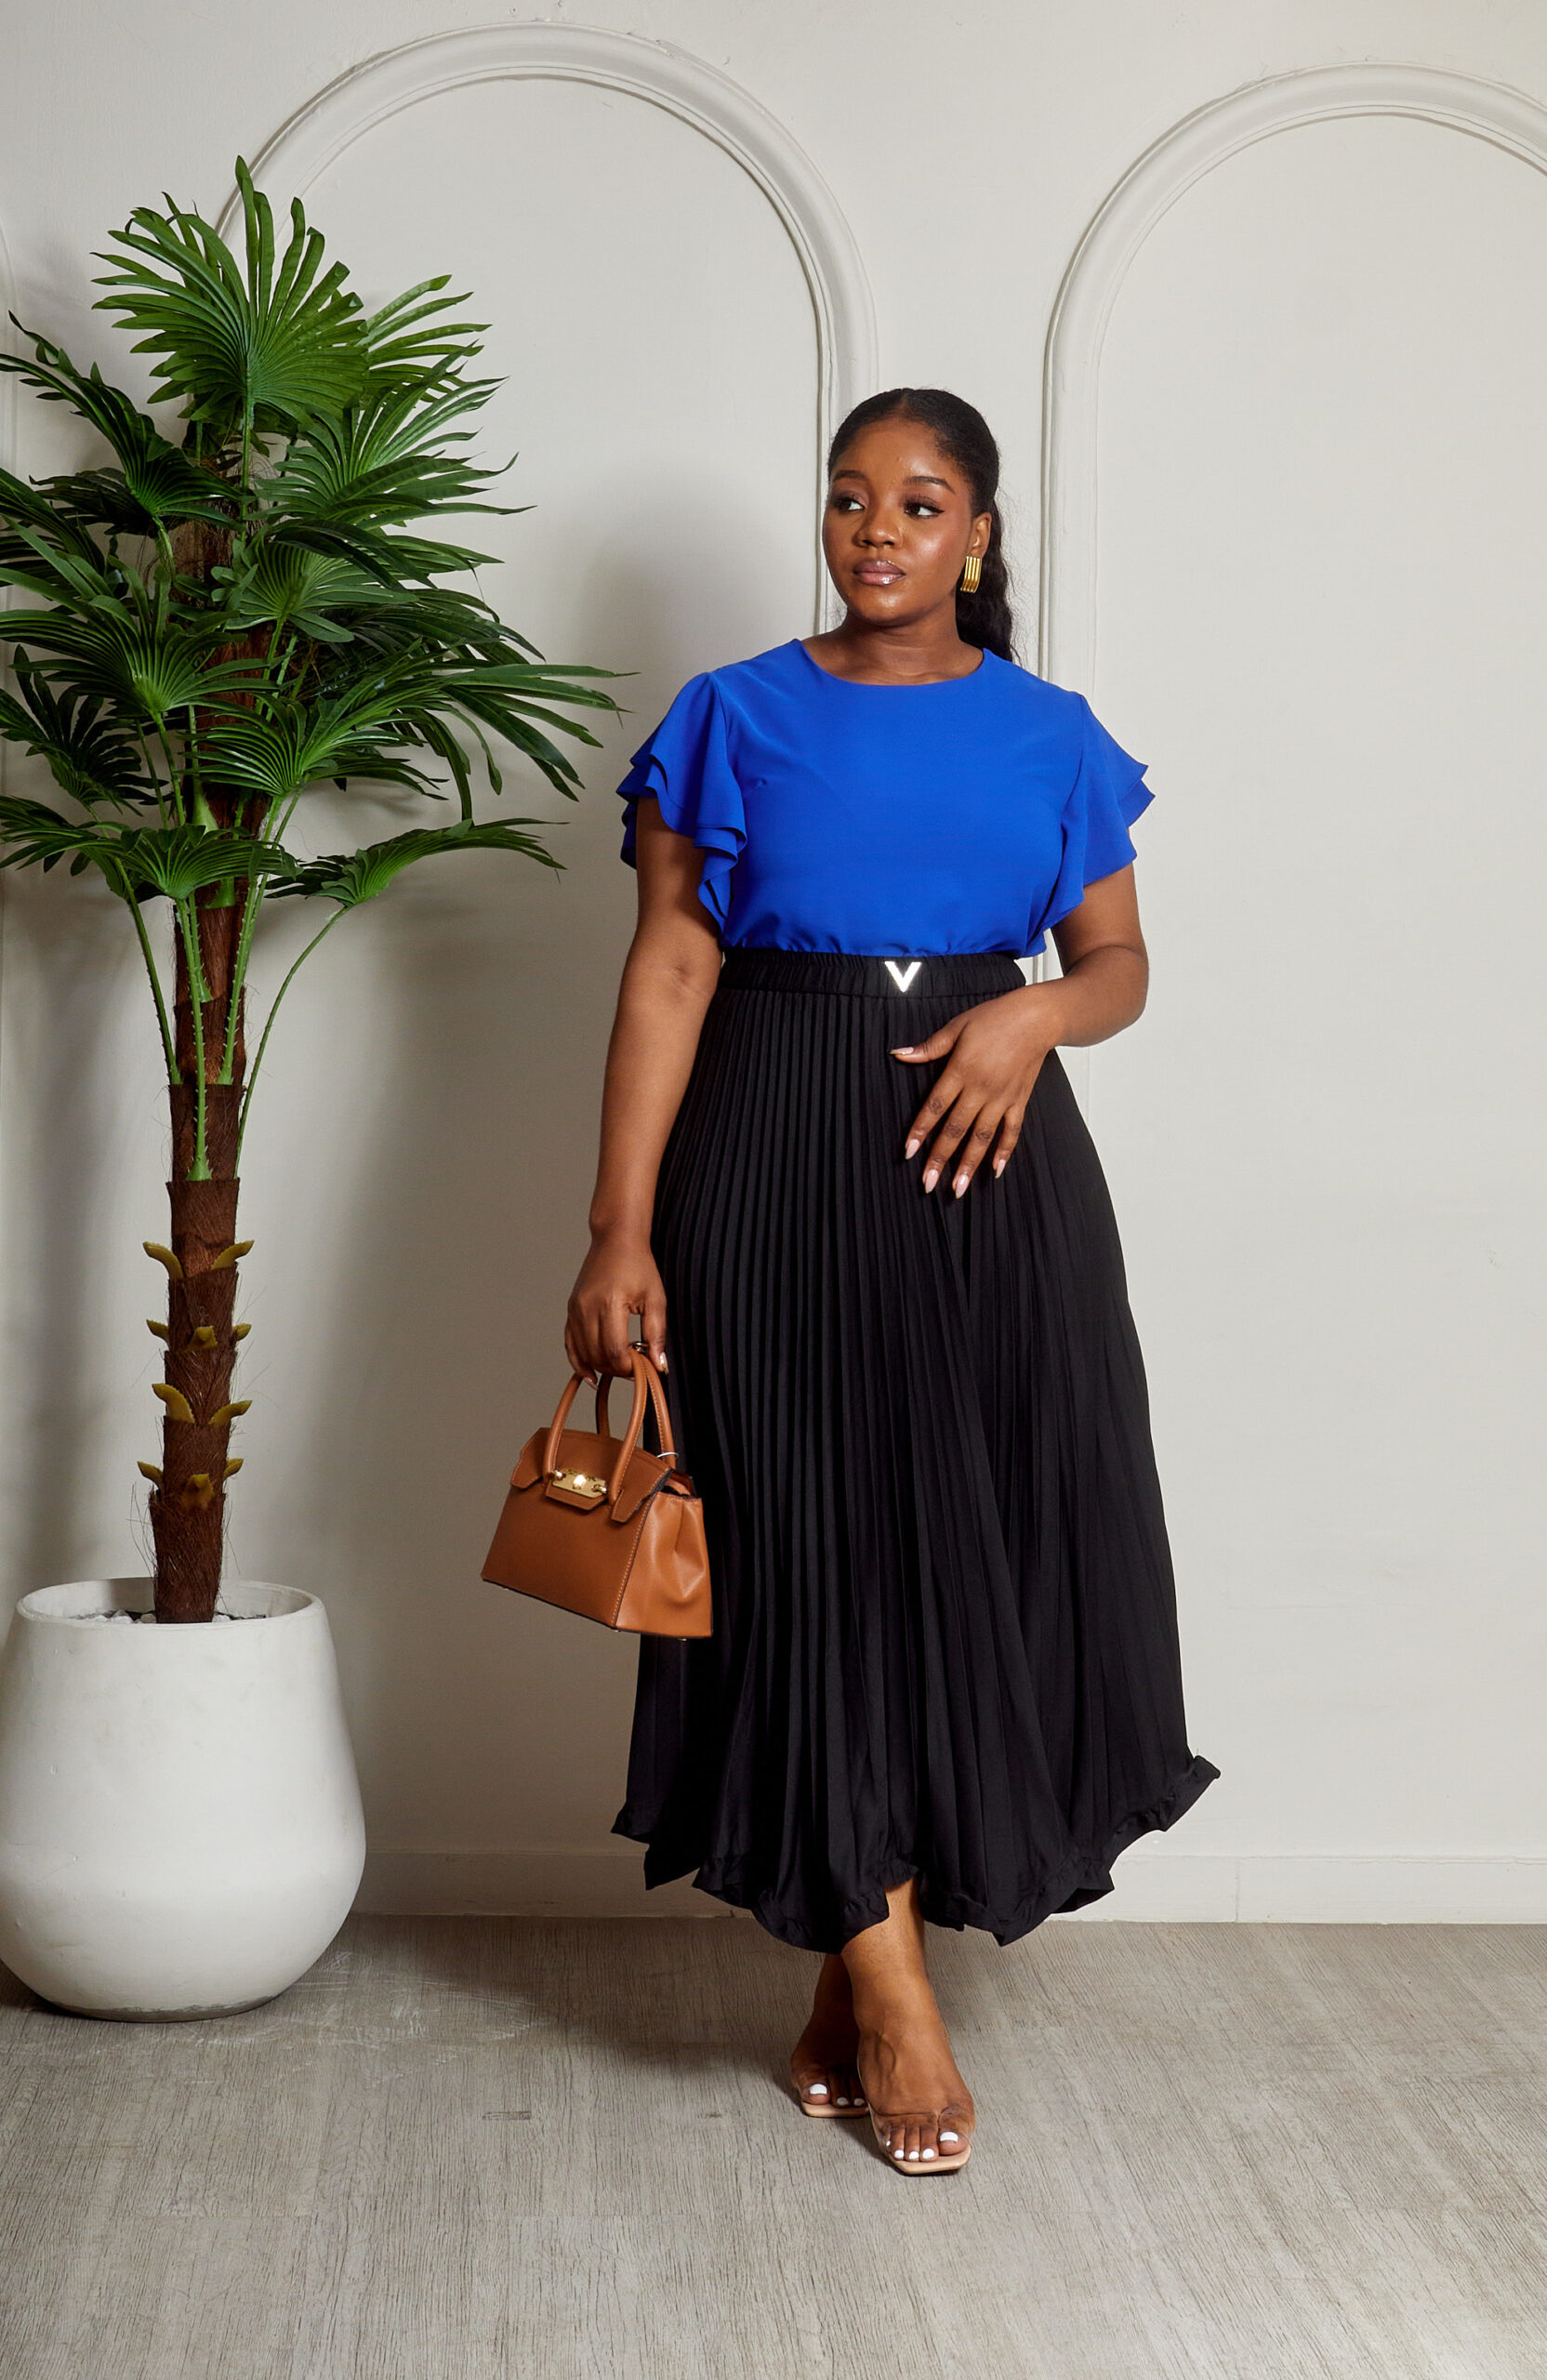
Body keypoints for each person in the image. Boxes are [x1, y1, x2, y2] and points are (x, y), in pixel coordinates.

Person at [565, 387, 1216, 2175]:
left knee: (976, 1546)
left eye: (920, 503)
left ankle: (849, 1976)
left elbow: (1121, 962)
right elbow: (668, 973)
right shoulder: (731, 714)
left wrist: (1034, 1015)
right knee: (807, 1557)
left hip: (996, 1172)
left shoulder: (1051, 734)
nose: (877, 529)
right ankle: (900, 2003)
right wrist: (618, 1226)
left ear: (978, 536)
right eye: (851, 497)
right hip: (774, 1155)